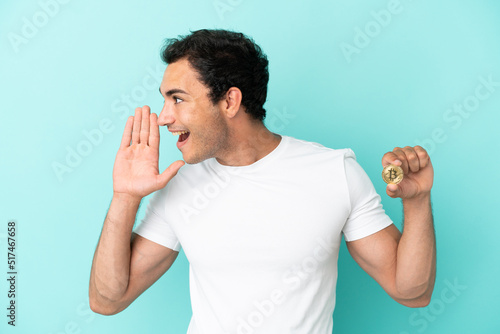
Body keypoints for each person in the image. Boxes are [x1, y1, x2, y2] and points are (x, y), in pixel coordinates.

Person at [89, 29, 436, 333]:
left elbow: (412, 292)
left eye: (178, 98)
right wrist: (124, 196)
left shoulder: (334, 171)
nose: (164, 118)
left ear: (230, 101)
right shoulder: (181, 186)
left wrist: (417, 201)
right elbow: (107, 300)